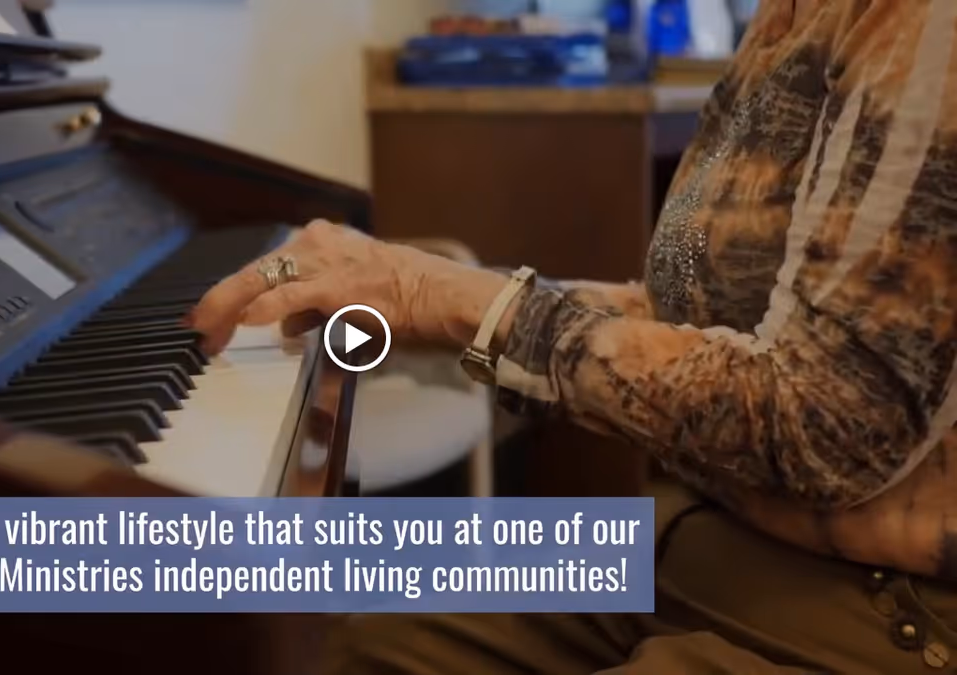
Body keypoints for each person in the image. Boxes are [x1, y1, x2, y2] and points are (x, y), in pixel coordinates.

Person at [190, 0, 957, 671]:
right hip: (711, 526)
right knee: (353, 644)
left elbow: (830, 424)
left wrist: (449, 298)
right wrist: (420, 299)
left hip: (885, 603)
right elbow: (703, 325)